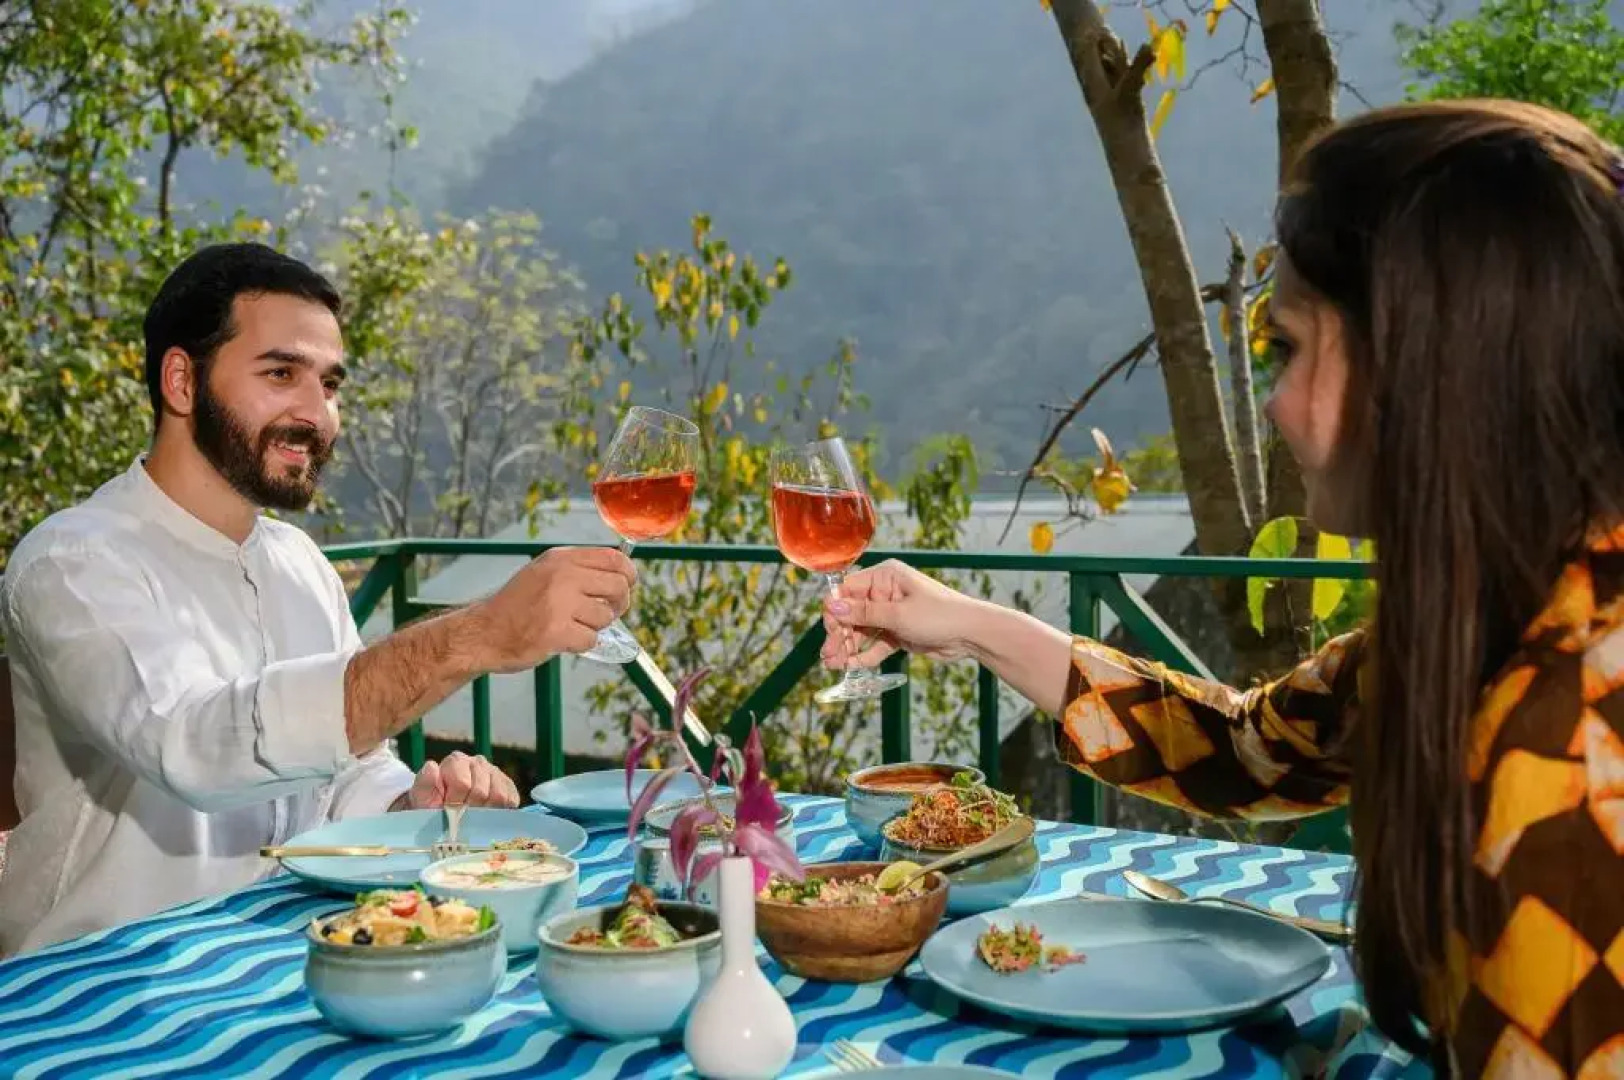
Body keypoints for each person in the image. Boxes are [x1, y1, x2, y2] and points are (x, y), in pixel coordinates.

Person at [824, 100, 1624, 1079]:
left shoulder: (1568, 754)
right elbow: (1245, 750)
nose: (1273, 401)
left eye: (1287, 348)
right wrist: (966, 625)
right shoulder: (1495, 617)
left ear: (1422, 369)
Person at [0, 243, 635, 955]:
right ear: (181, 381)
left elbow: (346, 770)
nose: (319, 414)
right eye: (281, 374)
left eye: (329, 385)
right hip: (96, 975)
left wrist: (410, 804)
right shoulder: (75, 561)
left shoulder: (298, 563)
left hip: (273, 950)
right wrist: (479, 634)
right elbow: (193, 747)